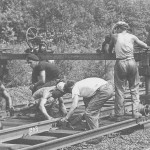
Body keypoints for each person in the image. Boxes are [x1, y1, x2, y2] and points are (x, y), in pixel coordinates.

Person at [108, 21, 149, 120]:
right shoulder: (132, 37)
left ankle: (119, 114)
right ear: (127, 28)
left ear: (118, 28)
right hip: (132, 62)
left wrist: (114, 28)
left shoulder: (114, 36)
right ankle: (135, 112)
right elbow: (145, 46)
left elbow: (109, 50)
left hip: (120, 63)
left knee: (120, 89)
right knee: (134, 88)